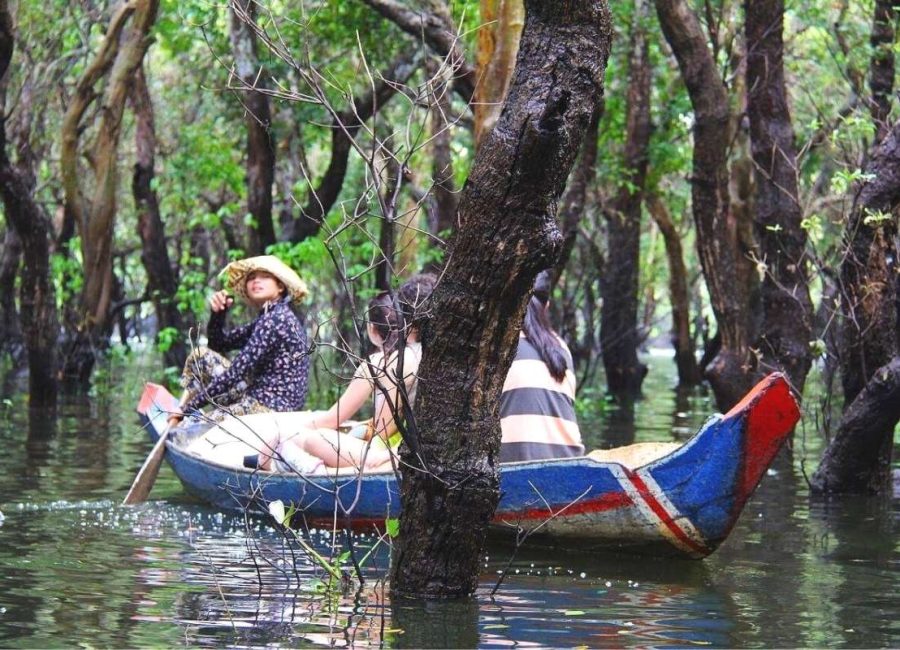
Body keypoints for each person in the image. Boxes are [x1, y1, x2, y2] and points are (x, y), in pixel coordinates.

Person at [246, 272, 437, 473]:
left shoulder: (396, 359)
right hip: (410, 452)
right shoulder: (435, 354)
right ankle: (284, 457)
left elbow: (381, 430)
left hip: (392, 456)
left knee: (313, 438)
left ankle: (286, 460)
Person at [171, 255, 311, 427]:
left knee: (199, 425)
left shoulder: (276, 319)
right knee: (200, 356)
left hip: (272, 409)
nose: (256, 281)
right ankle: (180, 407)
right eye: (251, 278)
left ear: (280, 286)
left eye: (264, 276)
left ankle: (182, 413)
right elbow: (219, 344)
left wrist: (189, 409)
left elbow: (236, 373)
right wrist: (218, 314)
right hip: (257, 397)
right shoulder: (267, 318)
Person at [499, 271, 584, 462]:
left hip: (514, 466)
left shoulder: (498, 346)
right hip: (570, 464)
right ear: (547, 305)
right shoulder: (561, 348)